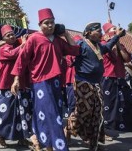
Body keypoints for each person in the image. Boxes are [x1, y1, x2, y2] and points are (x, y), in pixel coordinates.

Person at [11, 8, 80, 151]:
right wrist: (16, 79)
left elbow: (75, 50)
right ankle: (60, 147)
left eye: (53, 23)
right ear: (39, 24)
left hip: (56, 83)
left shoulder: (58, 41)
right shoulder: (34, 38)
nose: (50, 25)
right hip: (40, 82)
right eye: (47, 23)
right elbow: (22, 59)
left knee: (50, 115)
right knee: (52, 115)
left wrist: (66, 33)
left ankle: (47, 145)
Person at [68, 22, 124, 151]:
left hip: (97, 84)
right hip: (83, 83)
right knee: (83, 113)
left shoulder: (99, 46)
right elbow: (70, 53)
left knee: (97, 114)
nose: (101, 33)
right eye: (97, 31)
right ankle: (68, 129)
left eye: (101, 31)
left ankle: (94, 144)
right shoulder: (81, 44)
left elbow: (108, 46)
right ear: (88, 32)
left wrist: (117, 36)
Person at [0, 25, 30, 149]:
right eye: (8, 35)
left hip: (20, 83)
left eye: (13, 34)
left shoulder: (17, 46)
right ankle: (0, 137)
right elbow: (13, 54)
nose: (12, 36)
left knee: (21, 112)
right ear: (3, 39)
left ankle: (21, 137)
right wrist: (23, 43)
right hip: (7, 84)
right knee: (5, 112)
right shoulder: (4, 48)